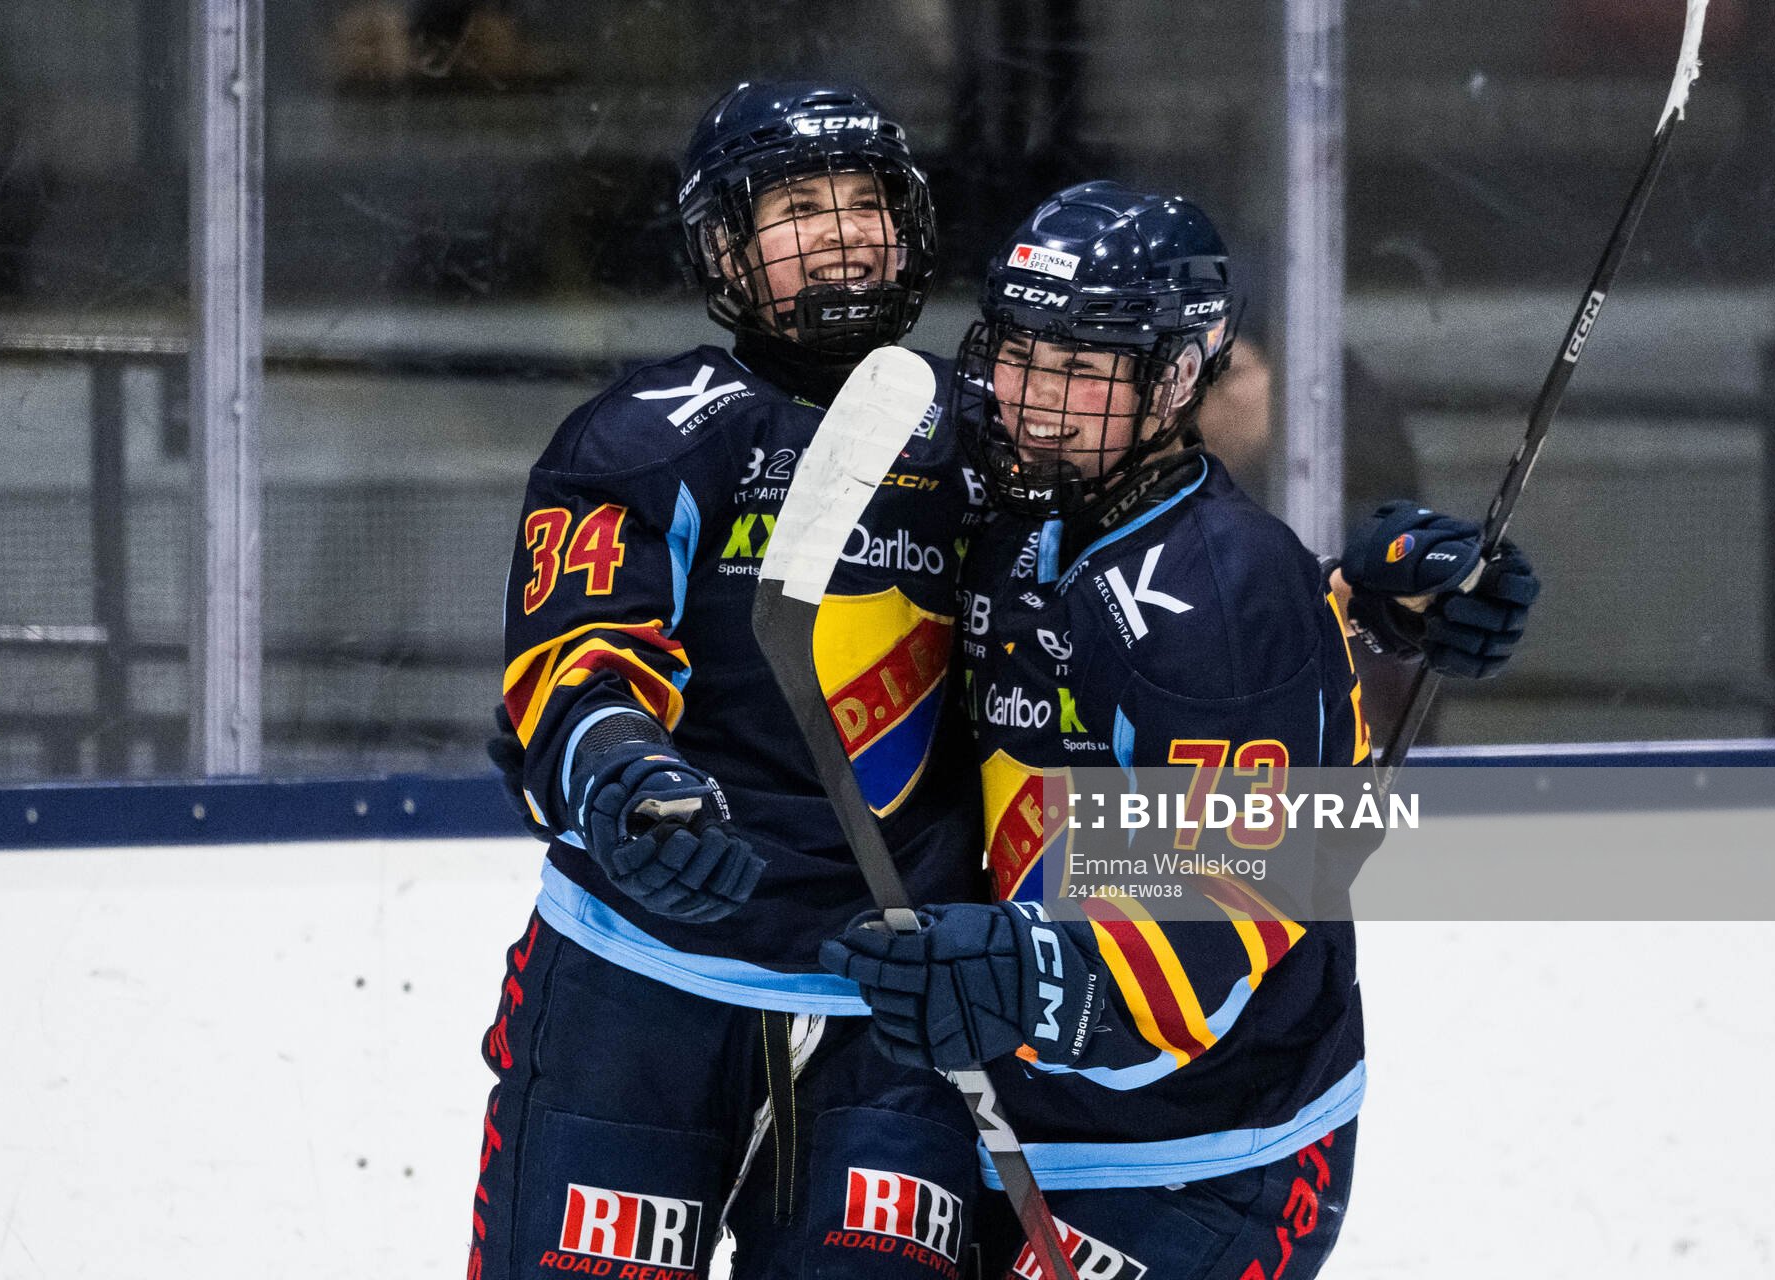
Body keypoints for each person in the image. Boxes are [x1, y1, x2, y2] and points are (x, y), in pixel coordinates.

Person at [822, 181, 1539, 1279]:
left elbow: (1222, 902)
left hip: (1211, 1157)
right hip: (1014, 1114)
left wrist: (1024, 972)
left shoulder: (1220, 595)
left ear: (1172, 378)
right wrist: (1358, 597)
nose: (1034, 398)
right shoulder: (1024, 499)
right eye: (1018, 353)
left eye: (1079, 368)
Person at [467, 81, 995, 1280]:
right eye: (798, 206)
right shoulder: (654, 431)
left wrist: (1367, 616)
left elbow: (1155, 629)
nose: (842, 228)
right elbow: (578, 659)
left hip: (893, 1010)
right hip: (643, 984)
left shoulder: (987, 445)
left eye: (864, 199)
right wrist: (624, 774)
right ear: (725, 247)